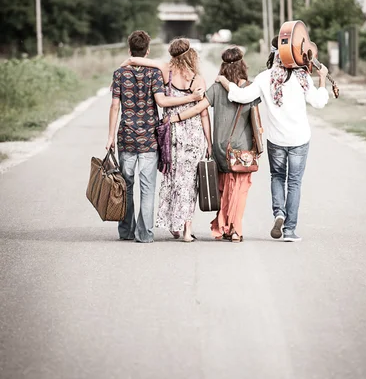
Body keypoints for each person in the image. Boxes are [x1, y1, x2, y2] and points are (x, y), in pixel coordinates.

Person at [217, 36, 329, 242]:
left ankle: (279, 213)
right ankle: (289, 230)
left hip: (276, 140)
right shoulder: (302, 77)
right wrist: (322, 78)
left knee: (277, 177)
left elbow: (241, 97)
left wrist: (225, 81)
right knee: (294, 183)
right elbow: (319, 102)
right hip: (299, 139)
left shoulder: (265, 77)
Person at [106, 31, 203, 243]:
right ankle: (145, 234)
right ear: (147, 51)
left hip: (126, 137)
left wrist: (110, 137)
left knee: (126, 185)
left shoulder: (119, 74)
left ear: (130, 49)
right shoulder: (154, 74)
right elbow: (161, 100)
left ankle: (126, 231)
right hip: (149, 138)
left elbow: (115, 106)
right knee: (147, 187)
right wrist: (191, 98)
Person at [168, 47, 260, 242]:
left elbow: (198, 108)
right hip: (242, 150)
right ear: (242, 65)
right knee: (240, 189)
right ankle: (235, 230)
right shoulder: (250, 88)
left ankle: (224, 226)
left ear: (223, 67)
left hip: (220, 148)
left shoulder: (216, 89)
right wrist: (257, 144)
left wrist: (175, 117)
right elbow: (256, 119)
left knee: (225, 188)